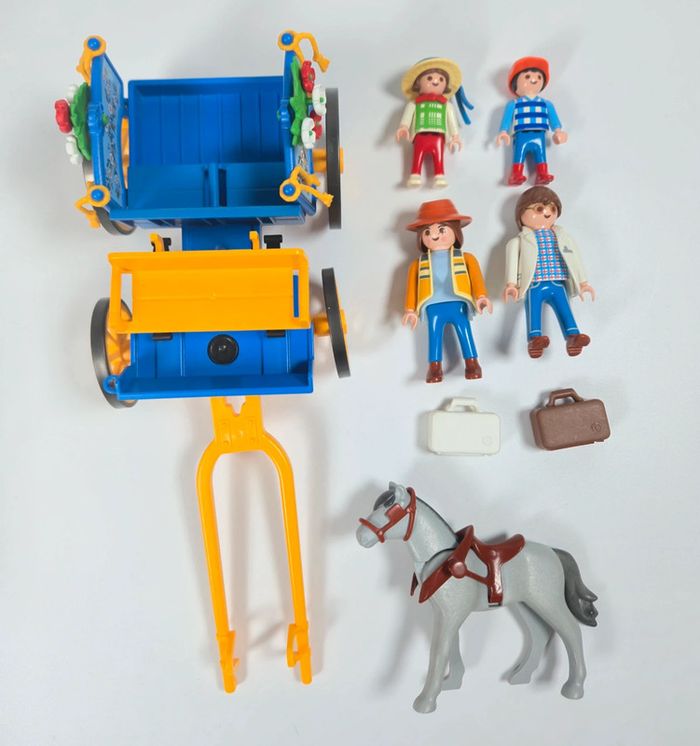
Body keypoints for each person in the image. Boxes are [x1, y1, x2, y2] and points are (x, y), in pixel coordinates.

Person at [403, 199, 492, 382]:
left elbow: (476, 279)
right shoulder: (418, 264)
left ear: (455, 231)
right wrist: (410, 310)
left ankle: (472, 363)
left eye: (442, 230)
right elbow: (411, 287)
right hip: (432, 305)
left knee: (464, 331)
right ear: (421, 237)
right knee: (434, 335)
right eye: (427, 232)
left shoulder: (466, 258)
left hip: (458, 302)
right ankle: (434, 367)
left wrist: (481, 296)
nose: (434, 236)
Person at [504, 186, 594, 358]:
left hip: (558, 283)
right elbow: (512, 262)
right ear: (521, 212)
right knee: (534, 311)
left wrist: (583, 282)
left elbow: (575, 258)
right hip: (534, 284)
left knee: (565, 309)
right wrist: (511, 284)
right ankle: (534, 339)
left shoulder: (563, 236)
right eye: (539, 209)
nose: (546, 213)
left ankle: (573, 337)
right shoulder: (519, 241)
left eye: (552, 209)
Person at [496, 56, 567, 186]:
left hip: (539, 135)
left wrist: (558, 131)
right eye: (527, 76)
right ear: (515, 83)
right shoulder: (514, 104)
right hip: (521, 135)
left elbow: (554, 119)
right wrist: (503, 131)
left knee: (541, 154)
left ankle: (542, 174)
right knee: (519, 154)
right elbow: (507, 119)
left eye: (539, 77)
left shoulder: (546, 104)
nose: (534, 79)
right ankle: (516, 175)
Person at [396, 58, 463, 188]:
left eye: (441, 79)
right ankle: (415, 175)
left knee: (439, 156)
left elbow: (451, 121)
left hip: (438, 136)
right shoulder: (414, 104)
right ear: (418, 83)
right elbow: (407, 117)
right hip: (420, 135)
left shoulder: (447, 105)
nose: (435, 81)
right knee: (417, 155)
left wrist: (455, 136)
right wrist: (404, 127)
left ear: (446, 85)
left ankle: (440, 176)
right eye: (429, 78)